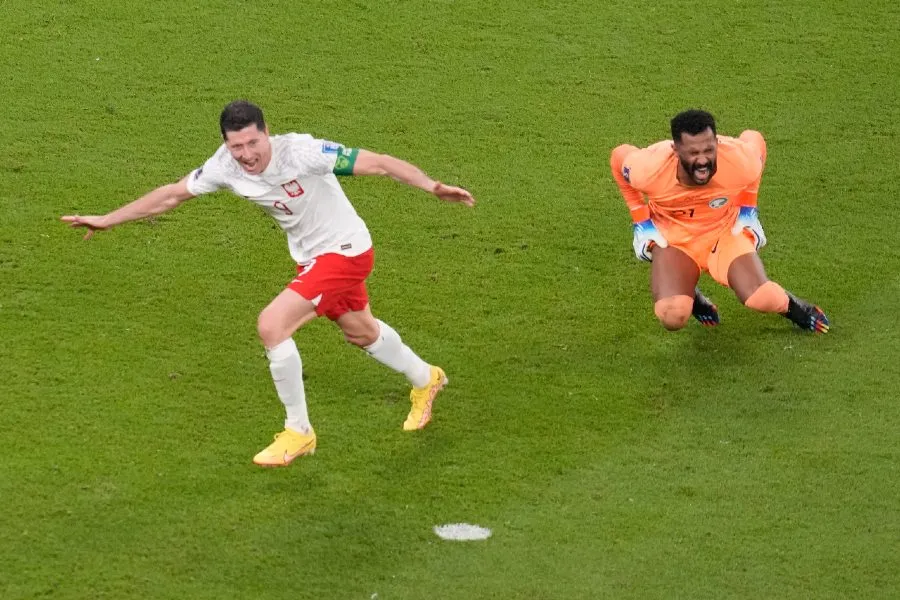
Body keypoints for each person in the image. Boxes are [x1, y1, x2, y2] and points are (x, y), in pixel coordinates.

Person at [61, 100, 475, 467]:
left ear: (266, 133)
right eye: (236, 146)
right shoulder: (224, 165)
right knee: (361, 332)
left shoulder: (303, 152)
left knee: (272, 325)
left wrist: (432, 187)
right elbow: (170, 196)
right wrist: (107, 219)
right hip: (313, 258)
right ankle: (427, 378)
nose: (245, 155)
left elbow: (381, 163)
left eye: (252, 144)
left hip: (346, 251)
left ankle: (299, 432)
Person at [609, 109, 829, 333]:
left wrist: (748, 208)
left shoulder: (737, 160)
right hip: (673, 238)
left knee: (760, 298)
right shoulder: (649, 169)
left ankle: (794, 307)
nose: (703, 160)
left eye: (709, 149)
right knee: (672, 316)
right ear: (675, 150)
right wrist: (641, 222)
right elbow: (619, 156)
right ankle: (689, 294)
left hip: (724, 232)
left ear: (717, 142)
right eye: (693, 152)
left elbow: (755, 139)